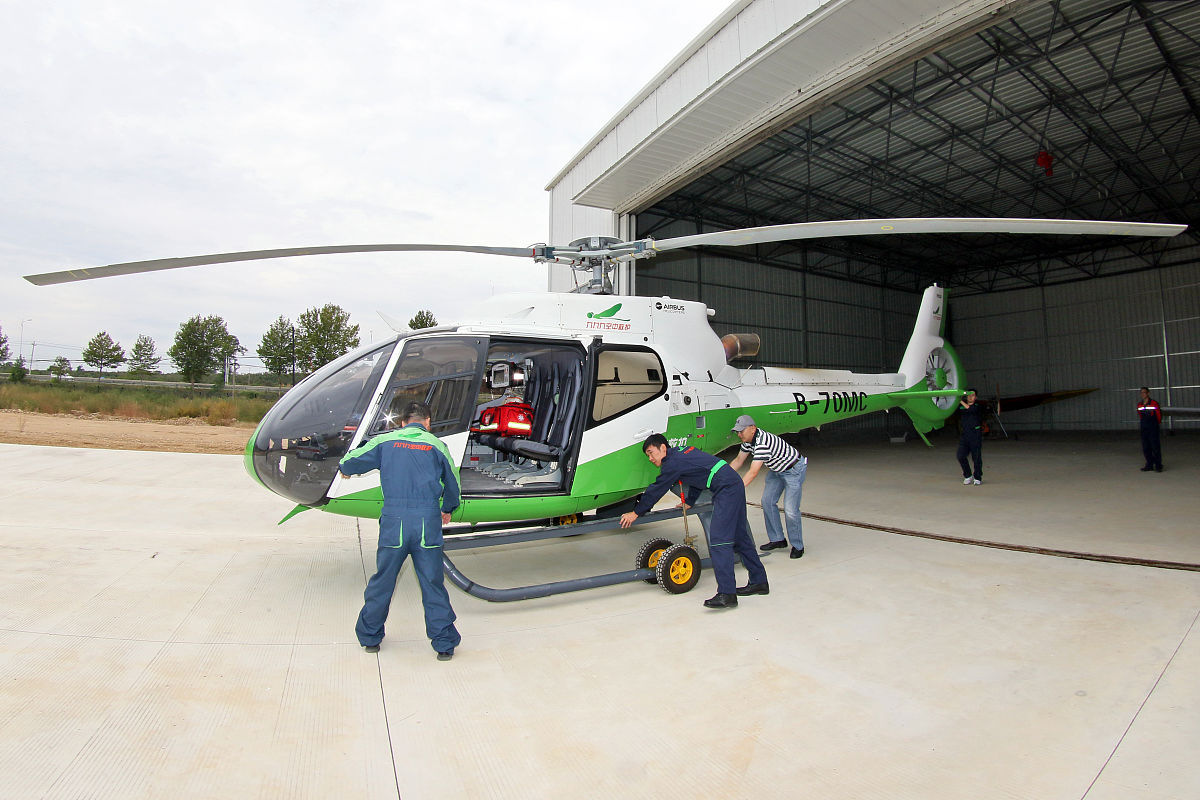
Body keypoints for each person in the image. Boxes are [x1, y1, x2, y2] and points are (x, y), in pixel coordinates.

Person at [339, 401, 462, 660]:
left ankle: (371, 638)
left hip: (394, 522)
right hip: (427, 522)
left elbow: (349, 462)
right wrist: (448, 507)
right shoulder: (437, 445)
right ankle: (443, 645)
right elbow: (453, 483)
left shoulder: (386, 441)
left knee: (383, 580)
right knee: (432, 583)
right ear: (427, 422)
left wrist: (346, 470)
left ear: (403, 422)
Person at [619, 434, 769, 609]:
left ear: (663, 448)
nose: (650, 458)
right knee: (741, 537)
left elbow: (657, 489)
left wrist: (636, 512)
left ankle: (727, 594)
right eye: (648, 456)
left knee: (720, 541)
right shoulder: (681, 452)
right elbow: (699, 476)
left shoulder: (672, 463)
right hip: (731, 483)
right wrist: (690, 501)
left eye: (651, 453)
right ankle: (759, 582)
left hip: (726, 488)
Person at [727, 414, 807, 559]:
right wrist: (721, 475)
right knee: (767, 502)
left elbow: (753, 472)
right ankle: (778, 539)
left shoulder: (762, 443)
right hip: (777, 470)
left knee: (790, 510)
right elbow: (738, 461)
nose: (739, 434)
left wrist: (736, 489)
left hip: (793, 470)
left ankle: (798, 546)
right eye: (737, 431)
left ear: (752, 429)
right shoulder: (747, 441)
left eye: (741, 431)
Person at [957, 389, 984, 485]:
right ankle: (968, 475)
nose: (970, 397)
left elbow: (970, 409)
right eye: (968, 395)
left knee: (976, 457)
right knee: (960, 456)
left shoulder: (977, 406)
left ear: (976, 397)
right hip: (965, 435)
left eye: (972, 395)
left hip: (975, 434)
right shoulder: (961, 407)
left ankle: (977, 477)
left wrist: (959, 400)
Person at [1137, 386, 1163, 472]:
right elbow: (1140, 415)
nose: (1142, 394)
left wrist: (1156, 425)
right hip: (1144, 427)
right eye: (1141, 393)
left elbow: (1158, 415)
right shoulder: (1139, 405)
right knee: (1146, 447)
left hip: (1153, 427)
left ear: (1148, 393)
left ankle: (1158, 465)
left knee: (1155, 446)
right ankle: (1149, 464)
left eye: (1144, 392)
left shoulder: (1154, 403)